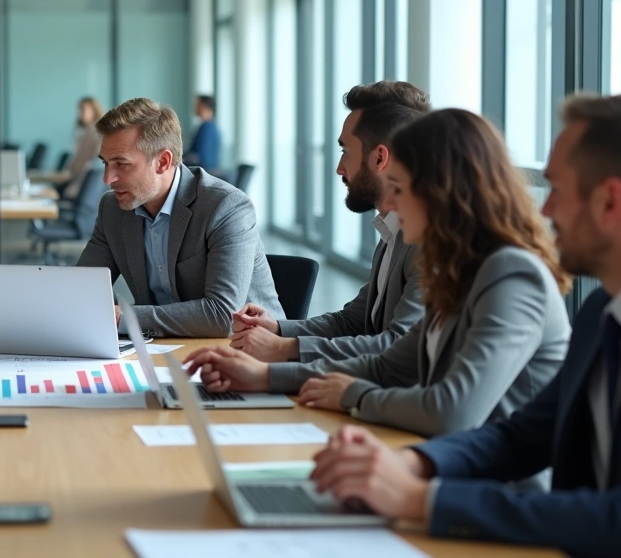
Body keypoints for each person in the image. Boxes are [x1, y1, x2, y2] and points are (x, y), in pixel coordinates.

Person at [305, 94, 621, 557]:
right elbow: (522, 437)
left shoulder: (514, 274)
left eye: (556, 189)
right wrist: (410, 464)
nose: (546, 210)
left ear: (610, 201)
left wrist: (419, 497)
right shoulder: (600, 314)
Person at [185, 109, 571, 438]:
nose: (387, 203)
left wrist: (354, 395)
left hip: (490, 493)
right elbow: (388, 366)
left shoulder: (510, 274)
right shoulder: (459, 269)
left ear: (444, 192)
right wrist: (262, 378)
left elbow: (451, 411)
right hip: (438, 462)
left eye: (399, 189)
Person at [232, 81, 430, 363]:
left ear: (380, 158)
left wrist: (284, 351)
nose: (339, 168)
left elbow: (398, 347)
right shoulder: (392, 230)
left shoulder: (427, 241)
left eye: (345, 151)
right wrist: (277, 329)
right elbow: (353, 322)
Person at [76, 97, 283, 338]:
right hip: (161, 348)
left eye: (122, 164)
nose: (108, 178)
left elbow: (222, 315)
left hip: (246, 352)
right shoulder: (112, 208)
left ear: (163, 162)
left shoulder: (226, 207)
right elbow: (82, 289)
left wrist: (125, 317)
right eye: (106, 163)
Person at [61, 96, 104, 199]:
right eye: (79, 110)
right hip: (77, 180)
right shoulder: (86, 131)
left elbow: (93, 161)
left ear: (94, 110)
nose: (80, 113)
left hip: (82, 184)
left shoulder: (97, 132)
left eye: (83, 110)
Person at [182, 95, 221, 172]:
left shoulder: (207, 129)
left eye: (197, 105)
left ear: (203, 106)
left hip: (203, 173)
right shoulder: (211, 127)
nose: (194, 107)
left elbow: (202, 158)